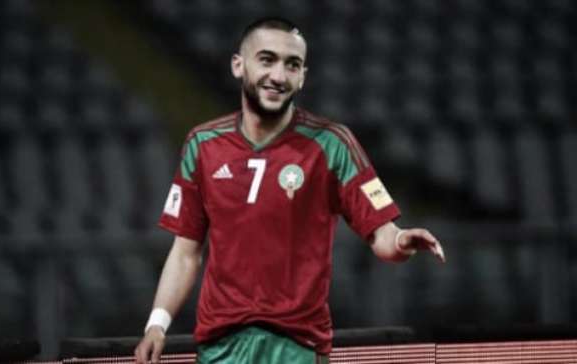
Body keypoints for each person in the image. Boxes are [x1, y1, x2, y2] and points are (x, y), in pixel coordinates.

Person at [134, 17, 445, 364]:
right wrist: (156, 325)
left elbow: (383, 238)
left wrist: (401, 241)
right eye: (267, 60)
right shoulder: (202, 144)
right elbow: (185, 253)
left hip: (296, 347)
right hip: (220, 348)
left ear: (302, 76)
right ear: (239, 65)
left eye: (292, 65)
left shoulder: (332, 142)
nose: (279, 76)